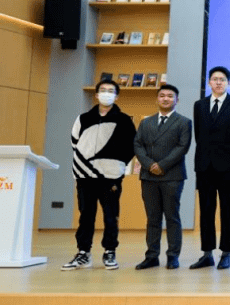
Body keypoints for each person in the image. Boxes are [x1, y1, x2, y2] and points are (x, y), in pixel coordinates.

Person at [62, 79, 137, 271]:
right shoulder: (83, 119)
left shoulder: (124, 120)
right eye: (103, 90)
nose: (106, 93)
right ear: (96, 95)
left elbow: (131, 146)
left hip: (111, 176)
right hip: (84, 176)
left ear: (116, 96)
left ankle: (110, 251)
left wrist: (117, 165)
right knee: (86, 215)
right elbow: (74, 142)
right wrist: (86, 162)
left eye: (111, 91)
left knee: (111, 216)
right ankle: (83, 253)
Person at [191, 66, 230, 270]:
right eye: (215, 79)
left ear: (228, 83)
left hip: (228, 167)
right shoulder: (199, 105)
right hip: (204, 166)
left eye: (222, 79)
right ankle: (207, 253)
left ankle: (226, 253)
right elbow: (199, 135)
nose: (218, 82)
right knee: (206, 210)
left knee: (227, 210)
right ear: (209, 82)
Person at [133, 84, 192, 270]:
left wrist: (162, 166)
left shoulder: (184, 122)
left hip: (172, 176)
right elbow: (137, 145)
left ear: (177, 100)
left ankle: (173, 256)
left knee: (172, 217)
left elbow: (182, 147)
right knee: (152, 218)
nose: (166, 98)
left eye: (170, 96)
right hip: (148, 176)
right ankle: (151, 256)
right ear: (157, 99)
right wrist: (149, 165)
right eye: (162, 95)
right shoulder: (146, 122)